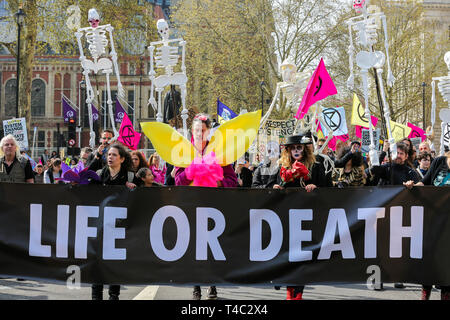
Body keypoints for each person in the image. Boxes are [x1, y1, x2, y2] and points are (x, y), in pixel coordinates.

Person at [174, 113, 238, 300]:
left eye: (202, 130)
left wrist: (217, 182)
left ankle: (212, 283)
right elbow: (178, 181)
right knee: (195, 249)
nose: (199, 133)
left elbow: (232, 181)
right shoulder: (184, 151)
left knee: (212, 248)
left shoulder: (219, 152)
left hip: (214, 208)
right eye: (196, 130)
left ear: (208, 131)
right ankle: (196, 287)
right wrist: (190, 172)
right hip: (192, 207)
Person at [273, 133, 331, 300]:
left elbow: (327, 188)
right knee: (288, 254)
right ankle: (290, 291)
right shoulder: (282, 167)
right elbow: (274, 185)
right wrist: (278, 186)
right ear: (288, 150)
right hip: (287, 216)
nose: (296, 151)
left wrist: (315, 186)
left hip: (307, 216)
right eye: (293, 148)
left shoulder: (316, 166)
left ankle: (298, 292)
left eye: (299, 148)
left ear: (304, 149)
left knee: (303, 256)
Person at [89, 143, 136, 300]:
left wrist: (134, 187)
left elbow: (143, 194)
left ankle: (113, 294)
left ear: (122, 159)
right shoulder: (99, 174)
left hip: (119, 227)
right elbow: (84, 185)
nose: (110, 157)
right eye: (109, 154)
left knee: (115, 261)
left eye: (114, 155)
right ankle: (96, 295)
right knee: (97, 261)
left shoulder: (129, 176)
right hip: (100, 225)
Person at [404, 151, 450, 300]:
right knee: (429, 257)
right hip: (433, 219)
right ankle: (426, 292)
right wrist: (413, 186)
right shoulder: (439, 162)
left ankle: (446, 293)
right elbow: (425, 182)